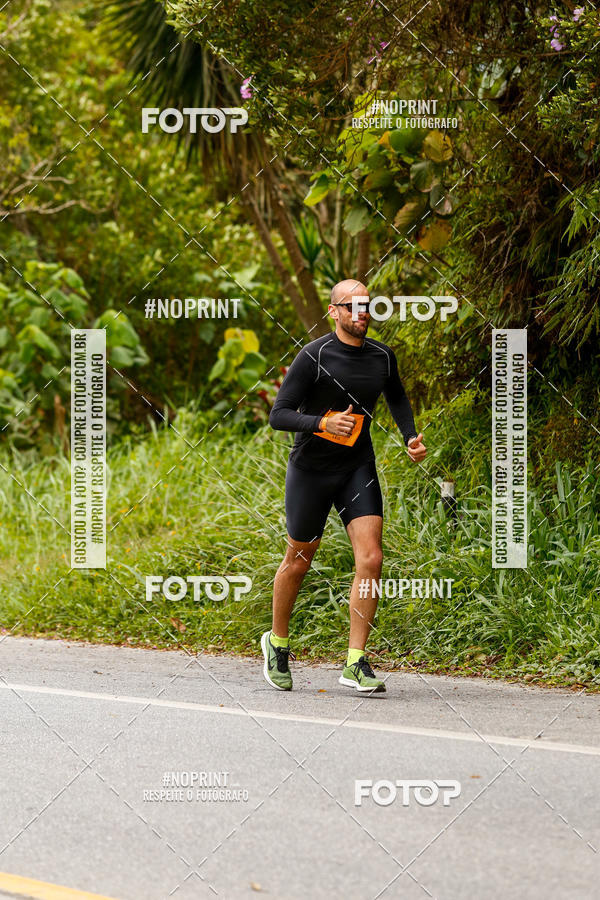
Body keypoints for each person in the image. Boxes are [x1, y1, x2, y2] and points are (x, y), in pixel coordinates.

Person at [261, 279, 427, 693]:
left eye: (366, 305)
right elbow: (278, 415)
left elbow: (397, 398)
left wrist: (409, 436)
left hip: (357, 467)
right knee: (298, 561)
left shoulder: (382, 357)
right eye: (351, 306)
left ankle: (356, 660)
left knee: (371, 559)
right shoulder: (312, 356)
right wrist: (320, 423)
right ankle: (277, 643)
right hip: (311, 471)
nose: (361, 313)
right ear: (334, 311)